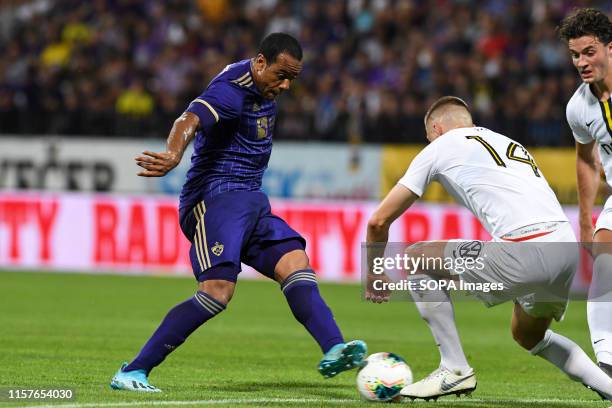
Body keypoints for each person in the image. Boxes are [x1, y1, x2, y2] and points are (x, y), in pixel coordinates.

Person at [109, 32, 366, 392]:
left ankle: (335, 347)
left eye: (293, 78)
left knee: (295, 262)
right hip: (214, 199)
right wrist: (174, 153)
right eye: (281, 75)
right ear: (260, 63)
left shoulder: (264, 86)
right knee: (217, 291)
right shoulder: (232, 89)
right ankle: (133, 371)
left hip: (250, 200)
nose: (287, 85)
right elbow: (190, 118)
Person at [365, 96, 612, 401]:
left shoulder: (440, 146)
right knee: (528, 335)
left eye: (428, 137)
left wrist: (374, 274)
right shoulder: (507, 142)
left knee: (416, 258)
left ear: (437, 130)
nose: (429, 143)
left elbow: (378, 222)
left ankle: (454, 370)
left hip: (526, 248)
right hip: (564, 248)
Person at [560, 7, 612, 377]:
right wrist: (584, 220)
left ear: (610, 48)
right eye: (575, 54)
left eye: (589, 52)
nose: (581, 62)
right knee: (605, 263)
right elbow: (585, 160)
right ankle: (608, 363)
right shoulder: (579, 107)